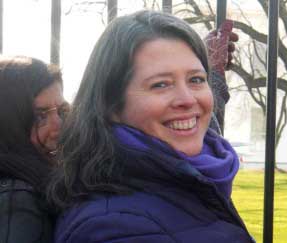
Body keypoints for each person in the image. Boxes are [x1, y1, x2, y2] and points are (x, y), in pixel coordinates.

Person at [49, 10, 254, 243]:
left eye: (196, 79)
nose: (187, 99)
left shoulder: (193, 180)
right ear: (111, 103)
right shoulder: (114, 227)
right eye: (161, 84)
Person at [0, 56, 69, 243]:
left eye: (62, 111)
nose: (59, 127)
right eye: (40, 116)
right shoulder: (18, 202)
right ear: (9, 123)